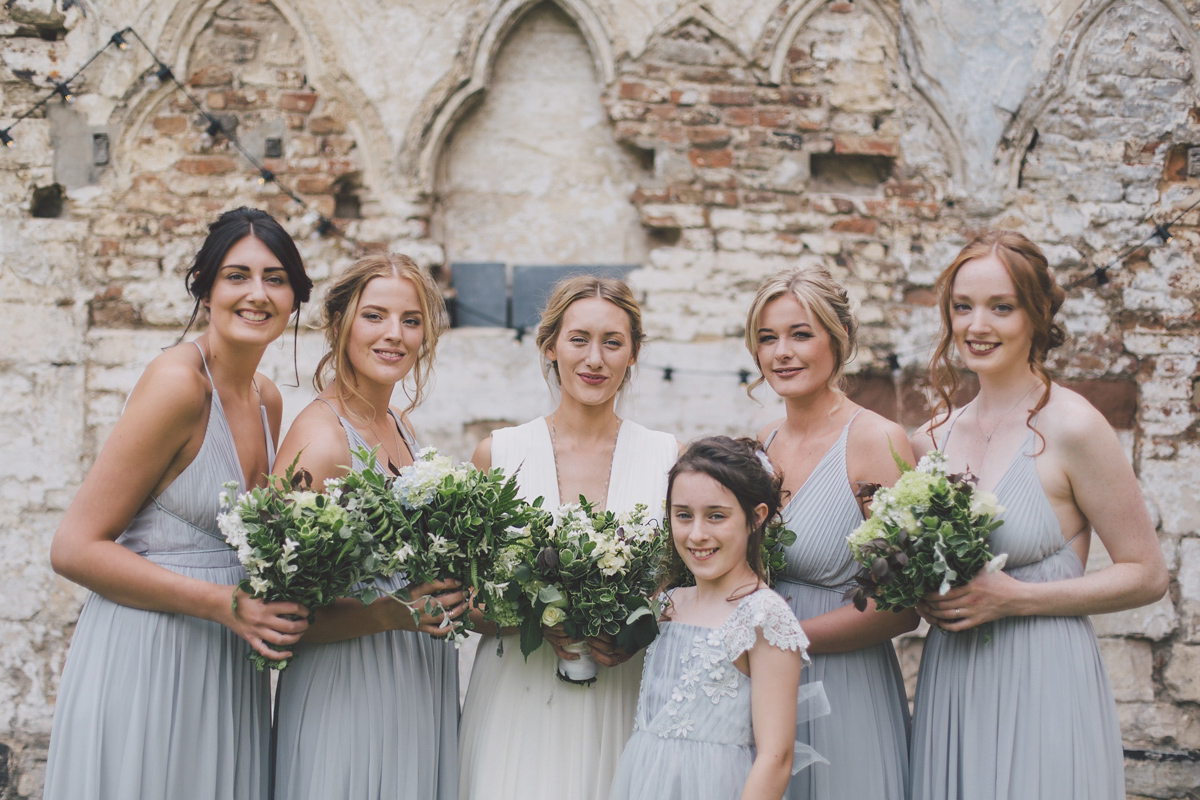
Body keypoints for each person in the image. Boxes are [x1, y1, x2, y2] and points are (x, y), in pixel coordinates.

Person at [43, 207, 314, 799]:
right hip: (147, 655)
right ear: (205, 287)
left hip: (224, 663)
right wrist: (224, 603)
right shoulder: (178, 384)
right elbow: (74, 548)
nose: (257, 294)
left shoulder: (267, 399)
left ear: (295, 298)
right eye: (236, 276)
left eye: (275, 278)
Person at [908, 229, 1169, 799]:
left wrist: (1016, 598)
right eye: (963, 307)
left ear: (1036, 314)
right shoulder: (932, 437)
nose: (978, 326)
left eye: (1001, 307)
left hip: (1044, 678)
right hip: (953, 681)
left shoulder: (1074, 426)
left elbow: (1147, 575)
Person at [458, 275, 678, 800]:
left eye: (612, 342)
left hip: (625, 699)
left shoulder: (667, 458)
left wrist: (638, 630)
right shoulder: (499, 455)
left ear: (634, 353)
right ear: (550, 345)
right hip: (518, 699)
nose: (595, 359)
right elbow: (467, 607)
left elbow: (683, 593)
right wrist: (534, 615)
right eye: (579, 339)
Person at [270, 253, 464, 799]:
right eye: (374, 316)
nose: (394, 335)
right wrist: (387, 613)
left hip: (416, 678)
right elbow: (278, 613)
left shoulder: (400, 425)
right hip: (349, 687)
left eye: (411, 320)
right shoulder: (323, 440)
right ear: (339, 325)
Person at [747, 267, 917, 800]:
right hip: (762, 689)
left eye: (801, 334)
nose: (782, 353)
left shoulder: (876, 440)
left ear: (837, 340)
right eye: (768, 338)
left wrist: (781, 641)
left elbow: (902, 605)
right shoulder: (761, 441)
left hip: (846, 686)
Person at [609, 436, 824, 800]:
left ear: (755, 517)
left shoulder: (763, 616)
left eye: (716, 516)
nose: (697, 534)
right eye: (683, 515)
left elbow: (776, 756)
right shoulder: (668, 603)